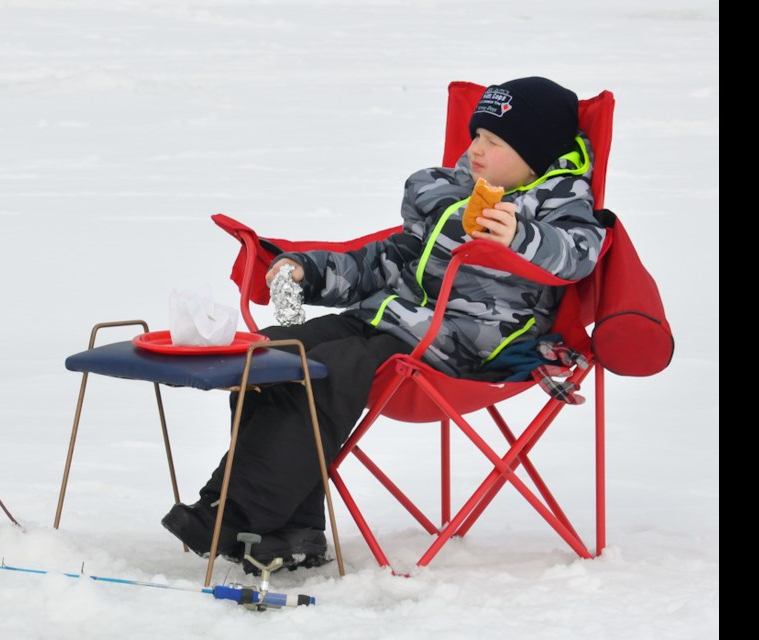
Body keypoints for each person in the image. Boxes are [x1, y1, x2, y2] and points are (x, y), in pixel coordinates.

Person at [161, 76, 607, 571]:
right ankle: (289, 529)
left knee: (327, 370)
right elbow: (389, 259)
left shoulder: (558, 200)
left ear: (534, 155)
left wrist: (523, 236)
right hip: (397, 322)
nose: (476, 148)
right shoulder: (450, 190)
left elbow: (581, 255)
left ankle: (236, 514)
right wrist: (306, 270)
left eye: (494, 141)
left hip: (469, 345)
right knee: (268, 355)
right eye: (476, 134)